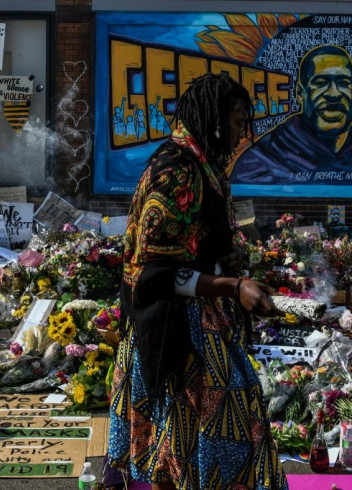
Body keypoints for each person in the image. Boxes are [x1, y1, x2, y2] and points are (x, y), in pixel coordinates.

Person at [108, 73, 288, 490]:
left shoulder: (204, 164)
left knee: (184, 447)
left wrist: (226, 258)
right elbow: (155, 274)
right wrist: (232, 287)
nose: (244, 132)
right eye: (239, 121)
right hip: (174, 333)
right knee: (206, 438)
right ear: (214, 119)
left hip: (197, 324)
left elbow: (191, 244)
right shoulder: (176, 171)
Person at [230, 45, 352, 186]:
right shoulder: (264, 157)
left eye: (344, 83)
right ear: (299, 92)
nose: (334, 94)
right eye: (320, 83)